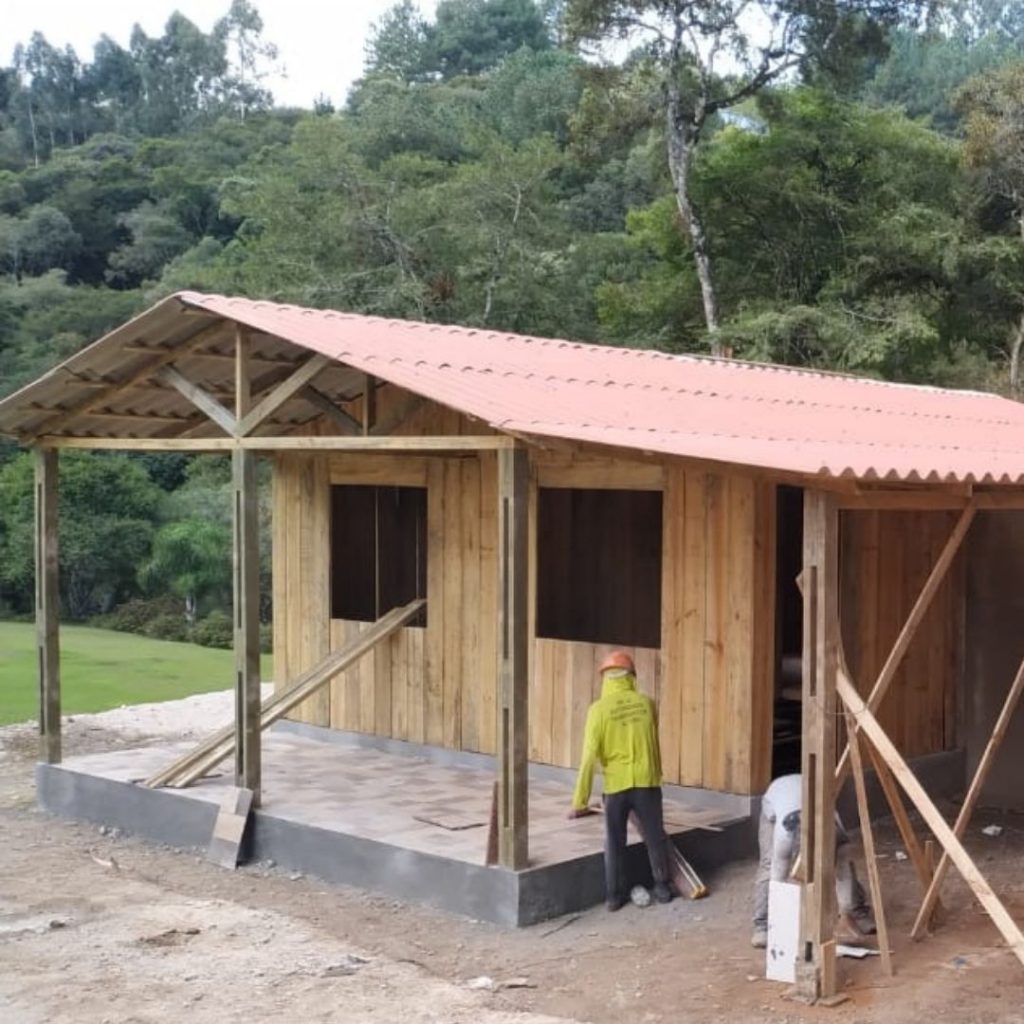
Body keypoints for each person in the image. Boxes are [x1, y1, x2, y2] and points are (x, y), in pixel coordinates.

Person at [568, 650, 673, 911]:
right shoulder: (647, 704)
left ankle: (614, 897)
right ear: (632, 677)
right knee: (655, 837)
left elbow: (588, 758)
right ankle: (662, 887)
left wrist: (579, 801)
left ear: (605, 679)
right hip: (647, 783)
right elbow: (653, 744)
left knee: (614, 842)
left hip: (616, 788)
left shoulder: (598, 711)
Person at [752, 773, 876, 948]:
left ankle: (856, 913)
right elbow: (778, 879)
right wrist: (781, 924)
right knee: (768, 864)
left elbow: (843, 874)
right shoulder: (784, 839)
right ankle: (763, 924)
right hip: (775, 800)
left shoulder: (836, 834)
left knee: (846, 865)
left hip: (805, 795)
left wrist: (844, 912)